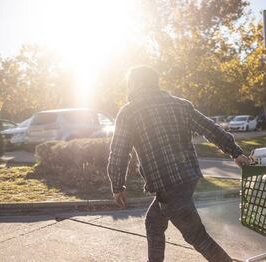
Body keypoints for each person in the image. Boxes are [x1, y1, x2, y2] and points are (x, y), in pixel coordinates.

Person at [107, 66, 250, 262]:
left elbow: (119, 153)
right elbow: (210, 128)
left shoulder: (129, 113)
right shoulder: (181, 105)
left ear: (133, 84)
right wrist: (235, 151)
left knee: (196, 236)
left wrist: (117, 186)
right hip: (187, 177)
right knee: (154, 223)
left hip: (167, 183)